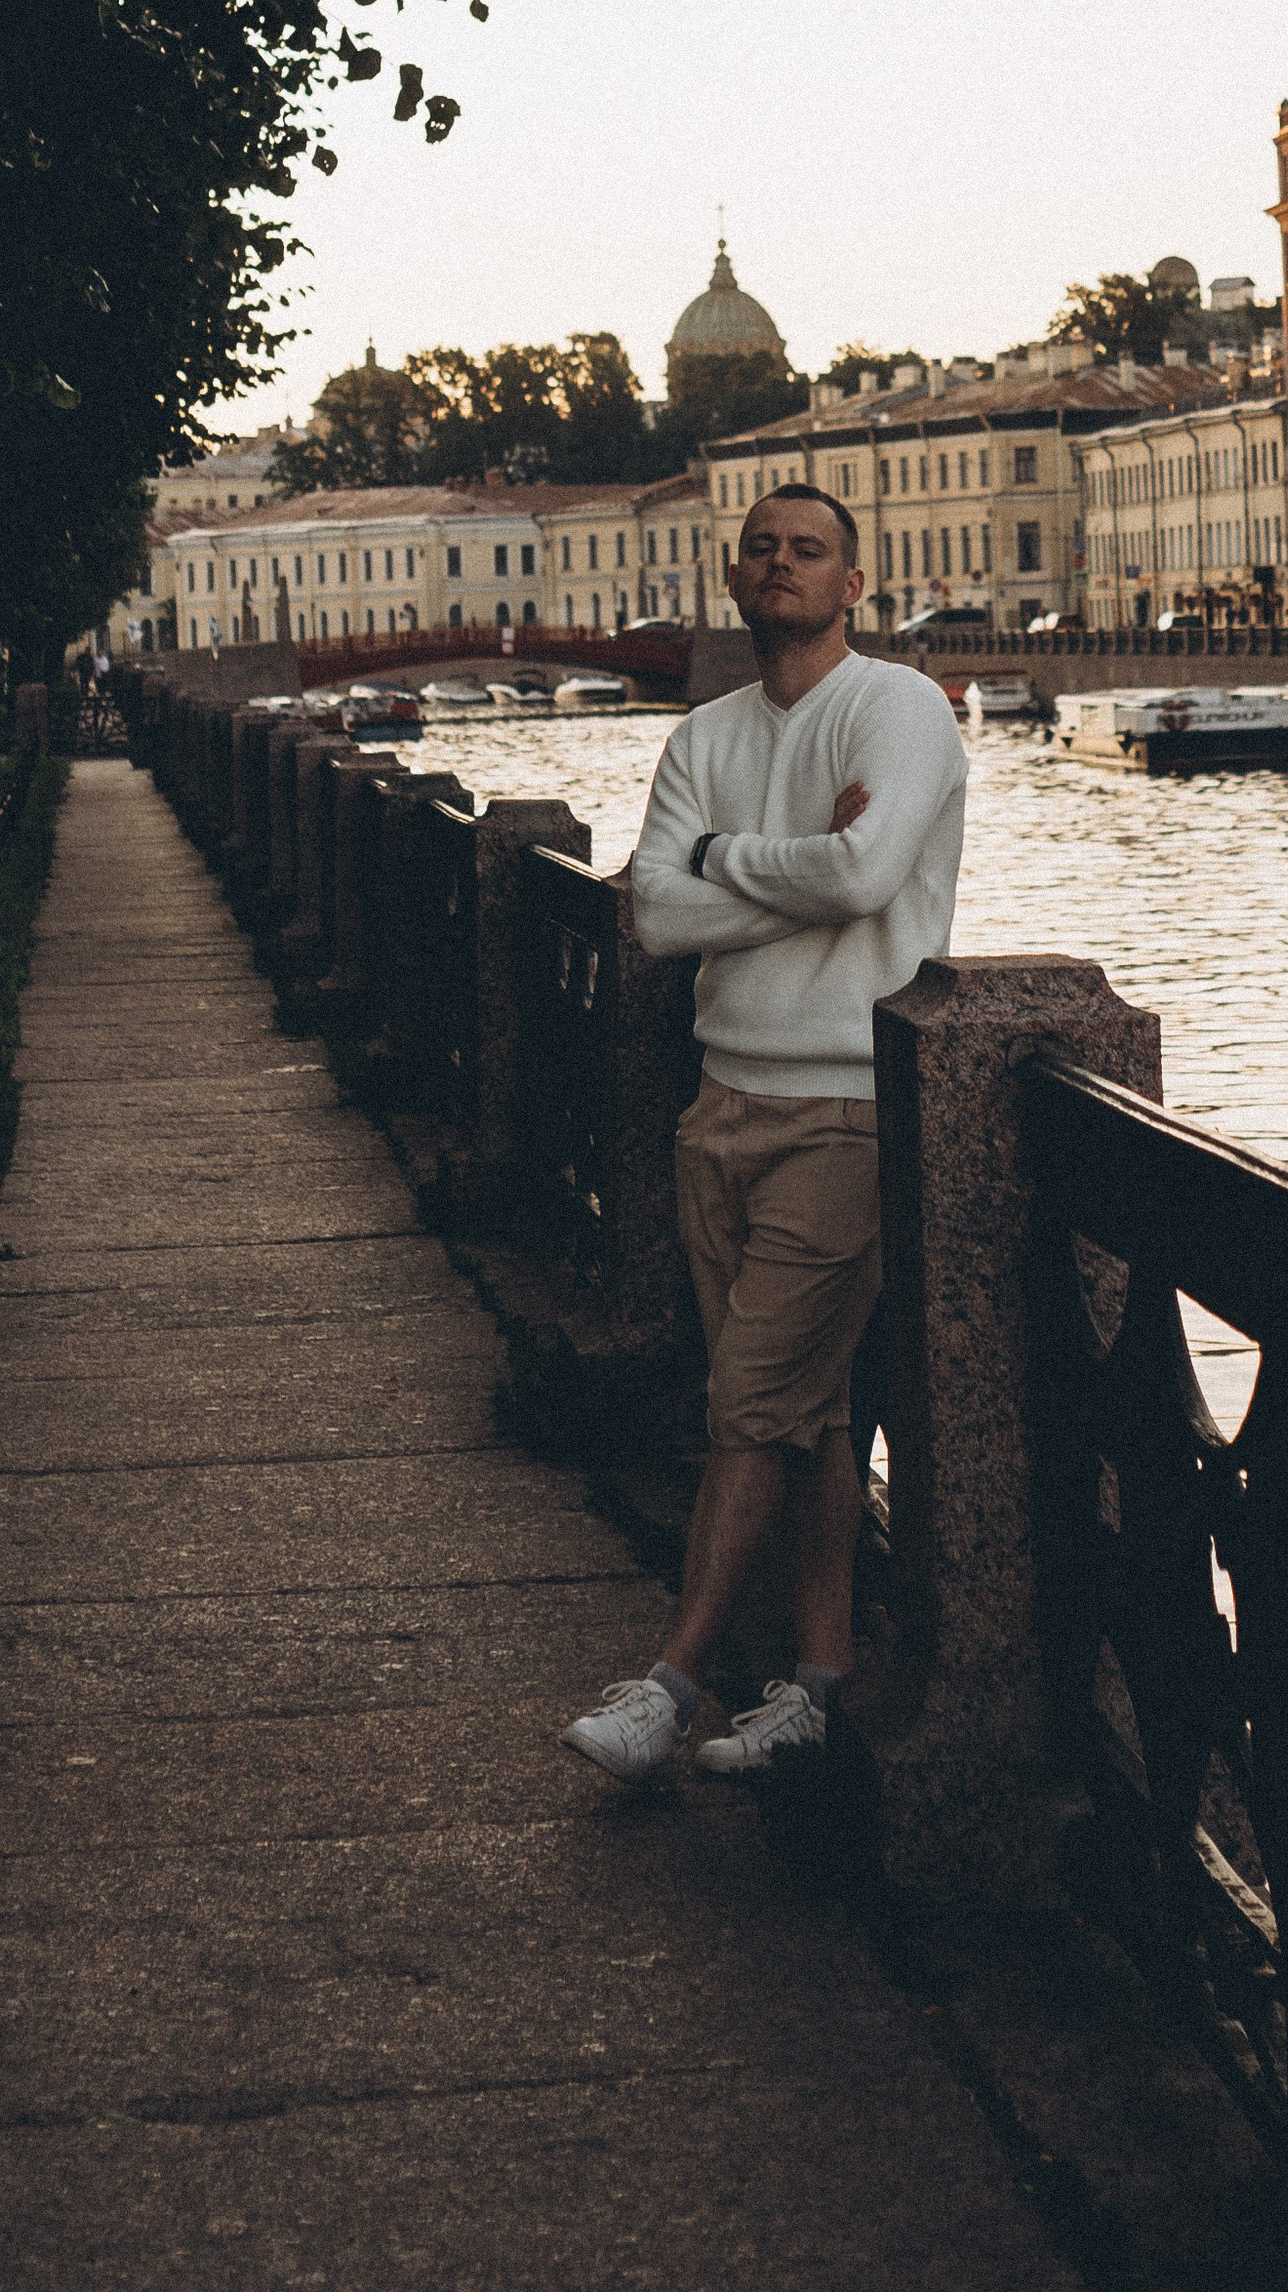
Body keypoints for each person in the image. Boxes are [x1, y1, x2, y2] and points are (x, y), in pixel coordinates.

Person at [561, 483, 967, 1784]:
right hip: (719, 1102)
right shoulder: (706, 734)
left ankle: (670, 1686)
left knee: (749, 1408)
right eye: (760, 550)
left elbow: (867, 877)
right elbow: (656, 920)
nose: (779, 565)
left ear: (855, 584)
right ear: (731, 580)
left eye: (808, 551)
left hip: (849, 1105)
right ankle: (822, 1679)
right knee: (809, 1415)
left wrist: (722, 859)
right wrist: (778, 863)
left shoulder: (898, 706)